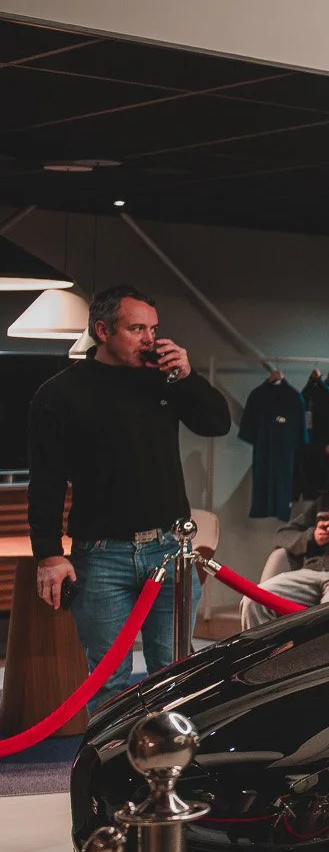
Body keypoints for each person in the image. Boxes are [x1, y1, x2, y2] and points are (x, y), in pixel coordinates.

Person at [27, 285, 233, 709]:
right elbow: (46, 480)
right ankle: (114, 774)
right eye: (137, 328)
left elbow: (217, 423)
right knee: (109, 681)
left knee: (176, 673)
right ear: (102, 330)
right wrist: (47, 553)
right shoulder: (59, 394)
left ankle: (175, 771)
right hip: (101, 554)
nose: (150, 339)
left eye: (153, 328)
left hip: (170, 547)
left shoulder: (165, 379)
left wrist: (188, 377)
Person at [243, 434, 329, 626]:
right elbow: (284, 535)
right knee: (254, 600)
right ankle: (266, 656)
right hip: (312, 571)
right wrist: (313, 537)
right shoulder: (328, 500)